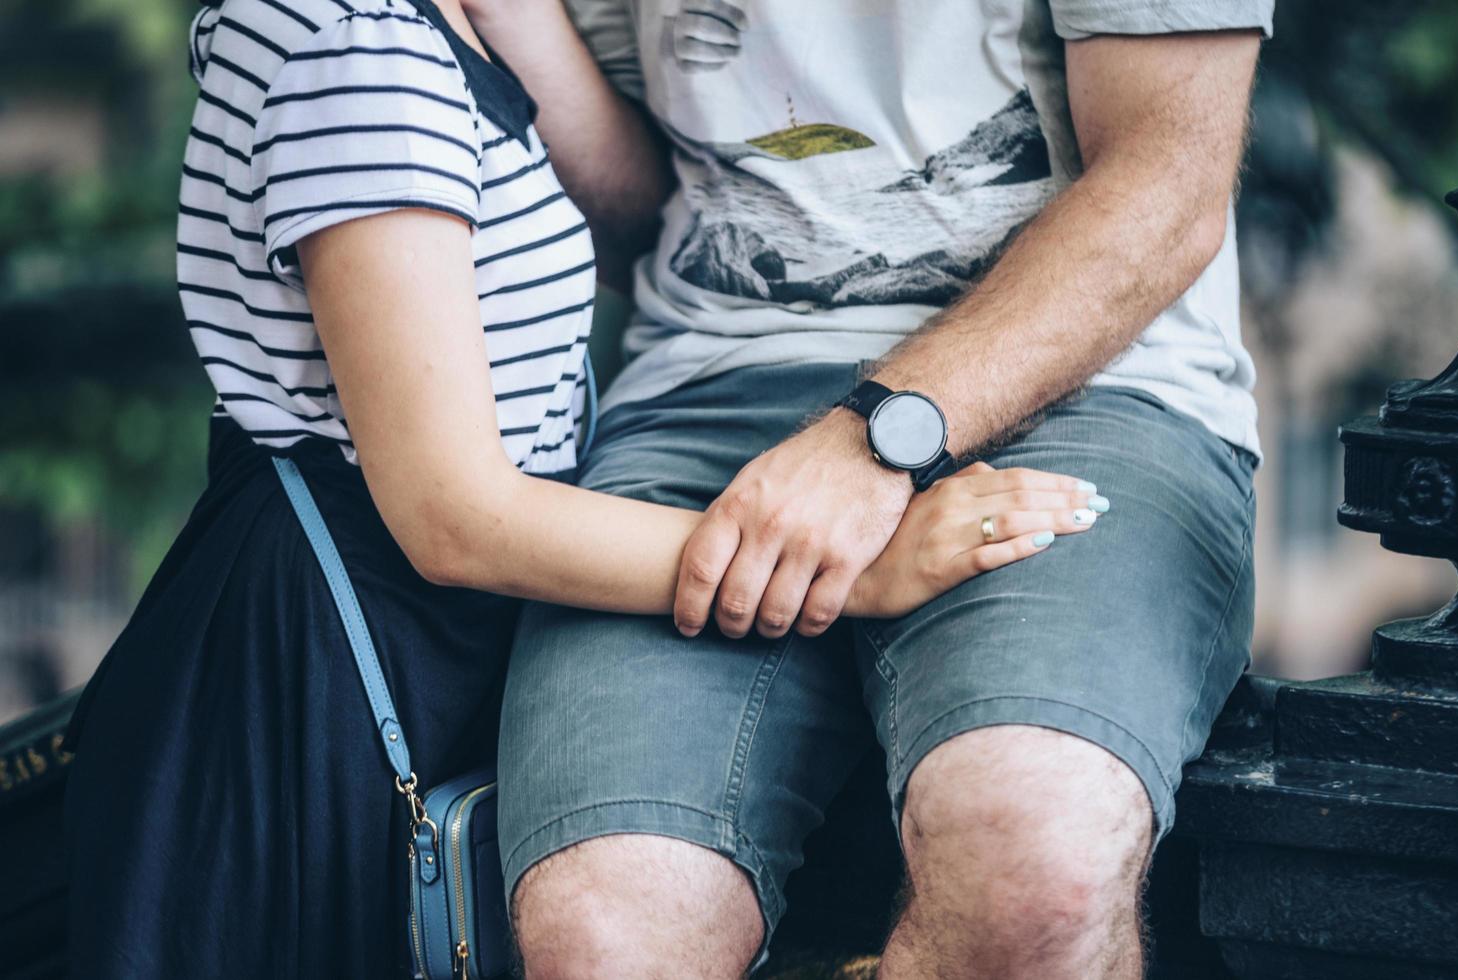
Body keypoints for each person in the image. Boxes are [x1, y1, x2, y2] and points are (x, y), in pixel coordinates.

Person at [60, 0, 1090, 975]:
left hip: (428, 620)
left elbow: (642, 205)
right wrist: (849, 568)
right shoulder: (353, 48)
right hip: (331, 661)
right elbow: (455, 518)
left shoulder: (437, 19)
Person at [461, 0, 1270, 977]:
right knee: (605, 933)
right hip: (707, 381)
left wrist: (876, 436)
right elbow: (650, 198)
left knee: (1032, 870)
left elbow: (1167, 178)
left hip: (1088, 374)